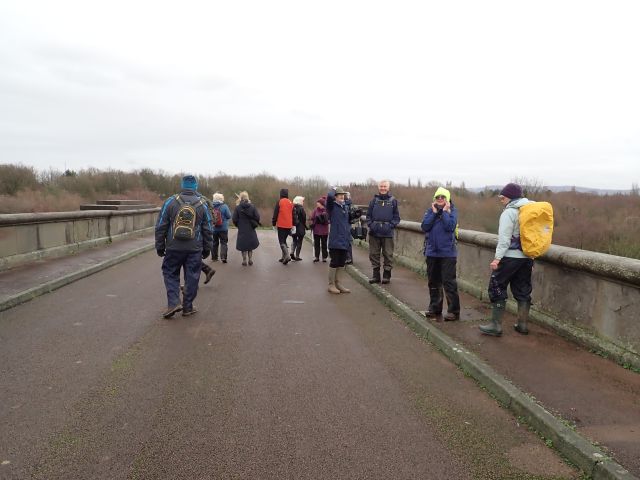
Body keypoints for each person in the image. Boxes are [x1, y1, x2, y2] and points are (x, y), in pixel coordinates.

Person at [480, 182, 534, 336]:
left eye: (503, 197)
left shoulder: (509, 213)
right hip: (526, 258)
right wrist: (531, 258)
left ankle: (495, 325)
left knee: (496, 286)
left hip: (510, 257)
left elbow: (504, 240)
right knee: (523, 289)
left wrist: (497, 259)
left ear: (511, 197)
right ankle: (522, 325)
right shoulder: (529, 210)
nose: (501, 200)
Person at [155, 174, 213, 318]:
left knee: (170, 273)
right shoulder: (203, 204)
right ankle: (188, 307)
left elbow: (161, 225)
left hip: (173, 246)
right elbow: (208, 228)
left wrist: (160, 245)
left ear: (182, 185)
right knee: (192, 276)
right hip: (194, 248)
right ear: (195, 187)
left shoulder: (170, 201)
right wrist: (207, 248)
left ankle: (174, 302)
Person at [421, 187, 460, 321]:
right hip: (432, 252)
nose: (440, 199)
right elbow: (425, 226)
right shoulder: (430, 211)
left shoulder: (452, 211)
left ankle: (453, 311)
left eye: (443, 197)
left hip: (448, 253)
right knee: (433, 282)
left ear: (447, 199)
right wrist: (433, 213)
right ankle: (435, 308)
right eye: (438, 197)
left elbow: (450, 226)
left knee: (449, 282)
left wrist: (444, 212)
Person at [366, 179, 401, 284]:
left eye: (385, 186)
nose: (383, 188)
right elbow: (368, 216)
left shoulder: (393, 201)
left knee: (388, 254)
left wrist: (390, 226)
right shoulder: (373, 201)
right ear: (378, 187)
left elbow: (396, 217)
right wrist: (371, 225)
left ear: (388, 188)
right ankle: (376, 275)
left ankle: (387, 275)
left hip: (387, 233)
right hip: (374, 232)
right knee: (374, 254)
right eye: (381, 186)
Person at [326, 187, 352, 294]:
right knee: (335, 262)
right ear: (335, 196)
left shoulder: (345, 207)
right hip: (335, 239)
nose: (342, 196)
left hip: (344, 239)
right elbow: (329, 197)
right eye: (339, 195)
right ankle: (331, 284)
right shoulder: (332, 207)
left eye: (343, 195)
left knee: (342, 262)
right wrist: (334, 189)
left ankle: (338, 283)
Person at [232, 191, 261, 266]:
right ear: (247, 198)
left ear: (241, 198)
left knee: (243, 245)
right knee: (250, 245)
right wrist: (254, 222)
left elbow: (234, 219)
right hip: (251, 227)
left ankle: (244, 260)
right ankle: (250, 259)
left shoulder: (238, 207)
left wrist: (238, 225)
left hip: (242, 228)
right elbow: (257, 217)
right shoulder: (252, 206)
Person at [272, 188, 294, 265]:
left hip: (281, 225)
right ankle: (283, 258)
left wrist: (273, 223)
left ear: (281, 194)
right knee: (284, 241)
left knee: (281, 241)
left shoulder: (279, 202)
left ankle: (287, 256)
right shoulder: (290, 202)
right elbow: (293, 214)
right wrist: (293, 224)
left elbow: (275, 213)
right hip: (289, 225)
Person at [210, 192, 232, 263]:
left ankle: (214, 258)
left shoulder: (211, 206)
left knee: (214, 243)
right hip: (223, 228)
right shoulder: (224, 206)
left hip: (214, 228)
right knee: (223, 242)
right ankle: (223, 257)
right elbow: (229, 216)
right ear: (221, 199)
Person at [309, 197, 329, 263]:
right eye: (317, 202)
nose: (317, 204)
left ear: (322, 204)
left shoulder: (326, 211)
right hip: (316, 230)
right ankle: (316, 257)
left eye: (318, 203)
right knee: (316, 244)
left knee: (324, 244)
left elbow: (328, 220)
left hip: (324, 231)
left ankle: (324, 257)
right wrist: (312, 223)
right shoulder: (315, 210)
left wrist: (323, 219)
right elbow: (311, 218)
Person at [290, 196, 307, 261]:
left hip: (293, 227)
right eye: (302, 201)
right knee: (300, 241)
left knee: (294, 240)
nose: (303, 202)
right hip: (300, 227)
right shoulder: (301, 209)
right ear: (300, 201)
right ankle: (297, 256)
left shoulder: (292, 208)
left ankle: (292, 252)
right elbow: (304, 218)